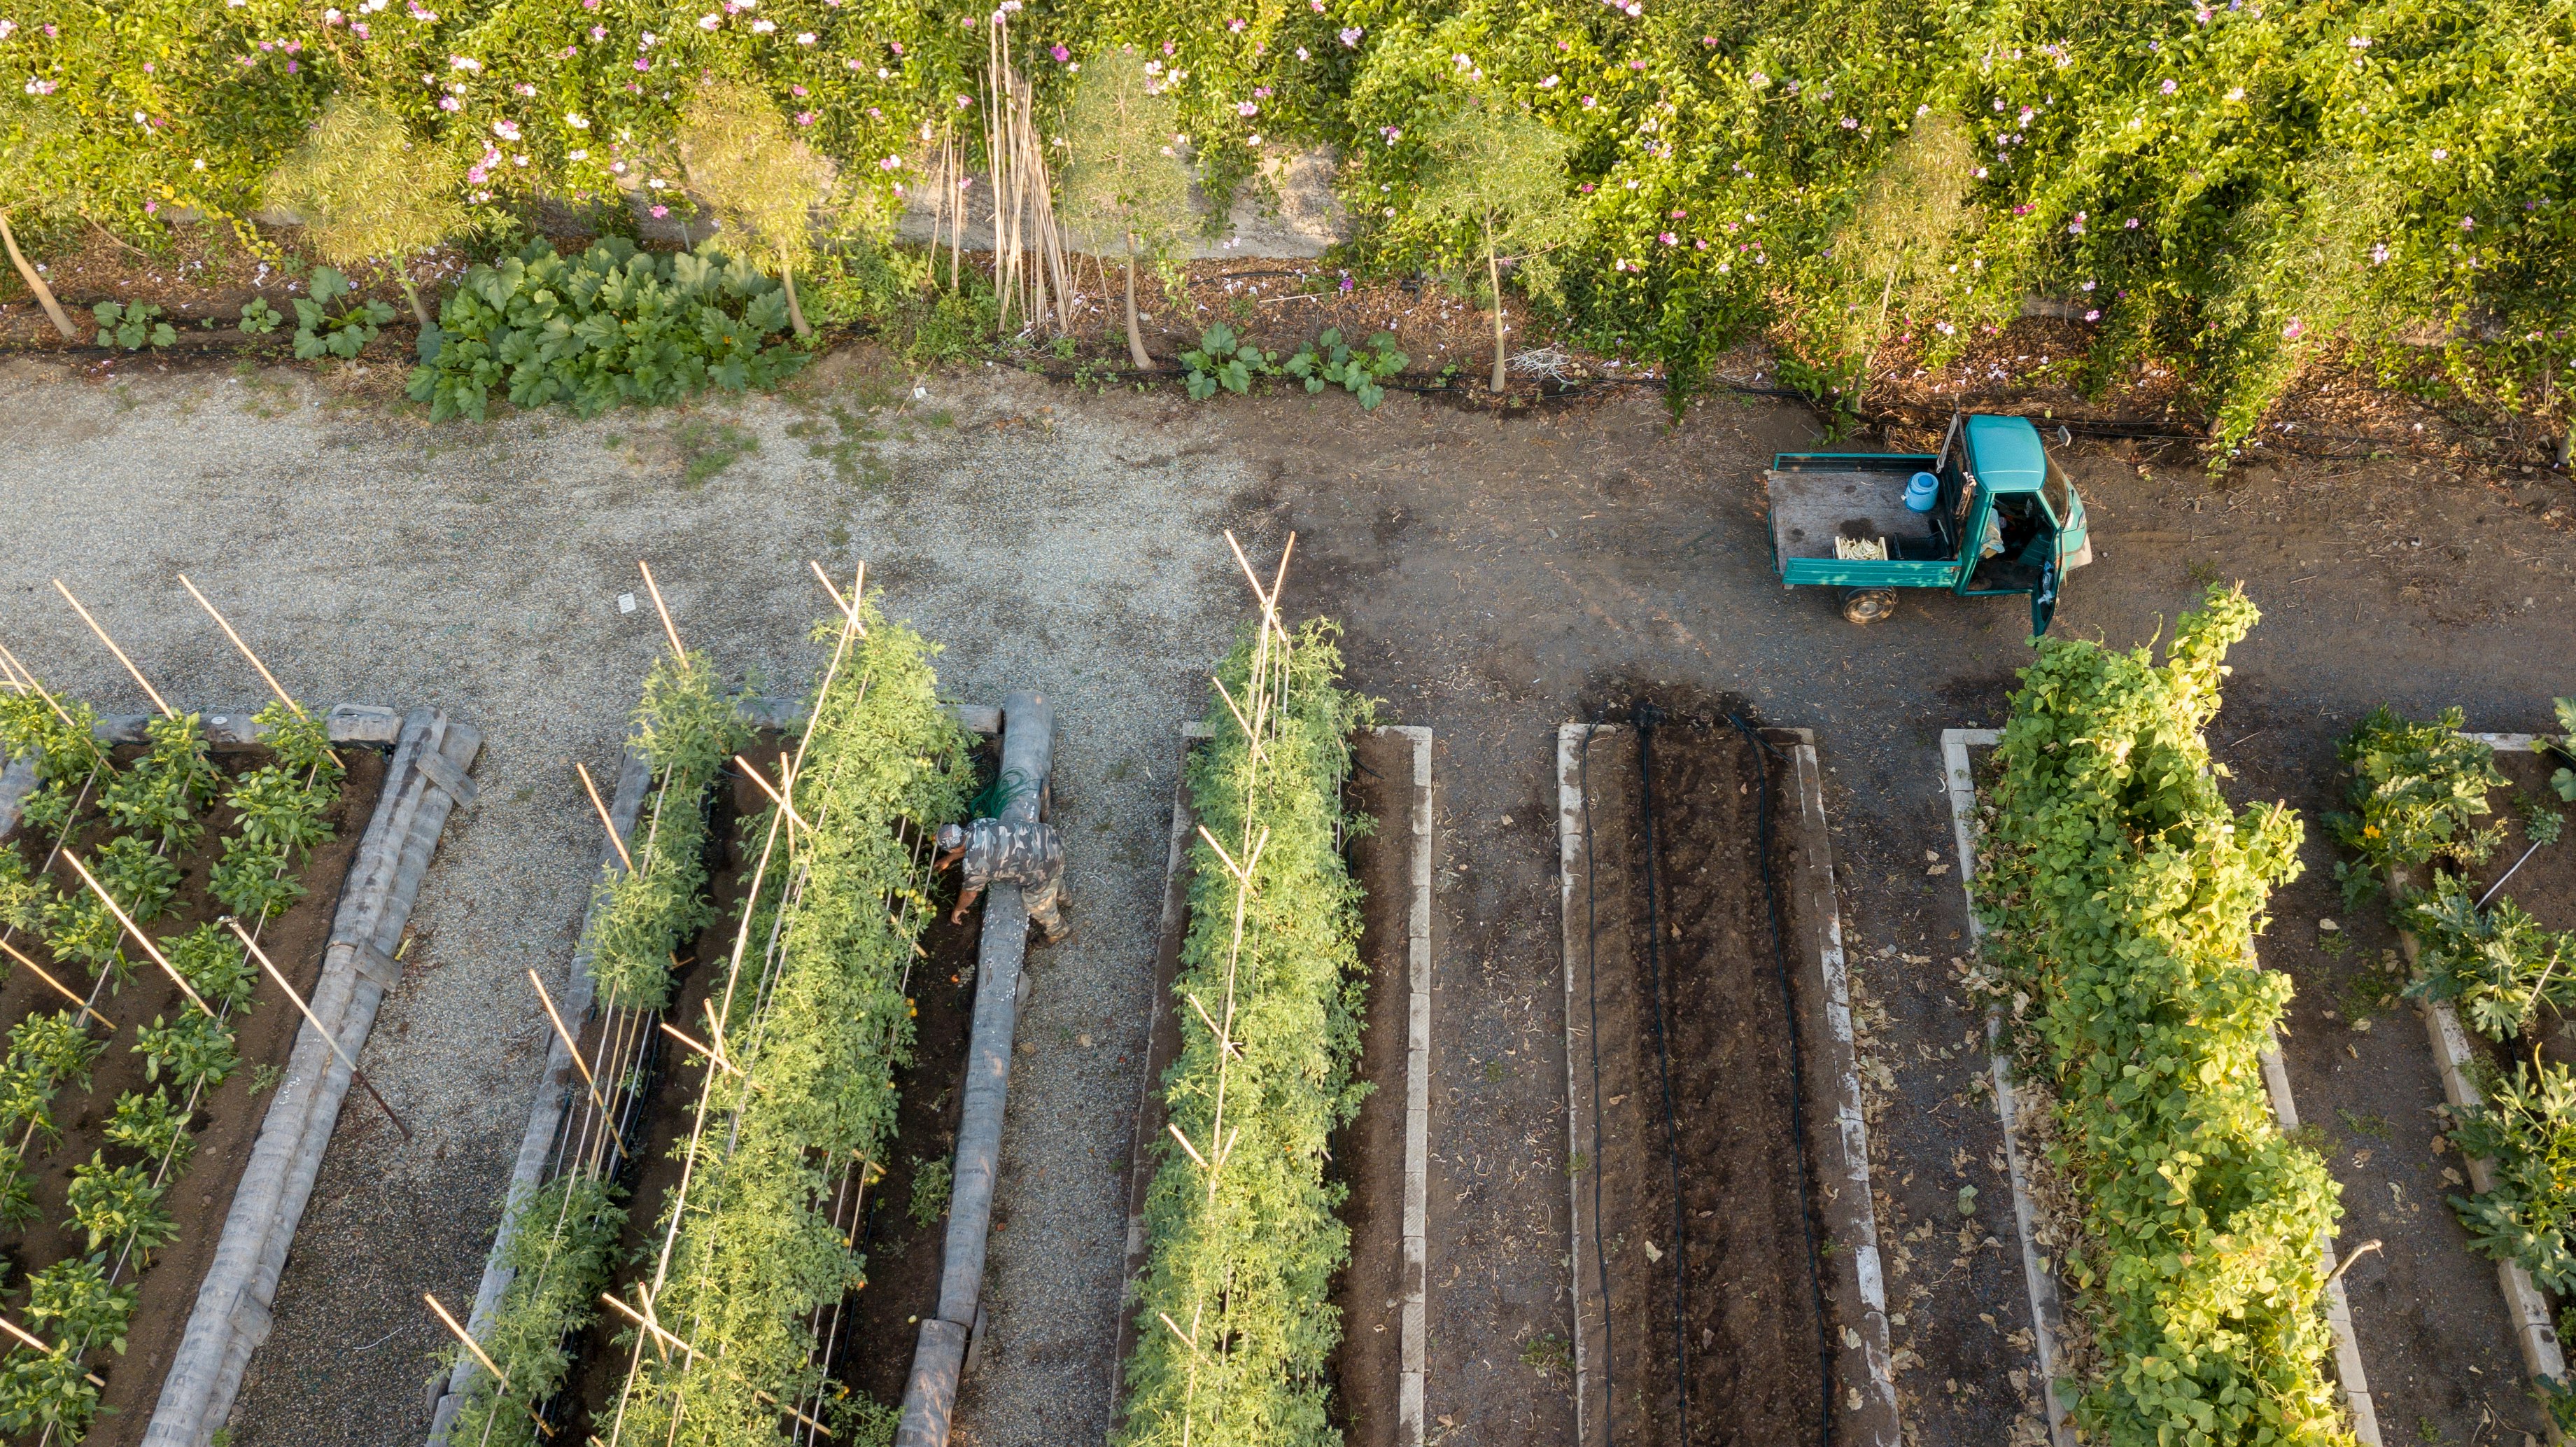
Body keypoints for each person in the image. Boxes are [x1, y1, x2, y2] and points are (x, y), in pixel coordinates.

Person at [934, 817, 1068, 943]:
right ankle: (1065, 898)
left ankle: (1058, 930)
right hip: (1049, 839)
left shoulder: (974, 865)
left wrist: (958, 909)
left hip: (1045, 866)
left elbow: (970, 894)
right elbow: (971, 846)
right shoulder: (977, 825)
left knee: (1037, 902)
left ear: (953, 849)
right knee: (1053, 877)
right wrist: (948, 859)